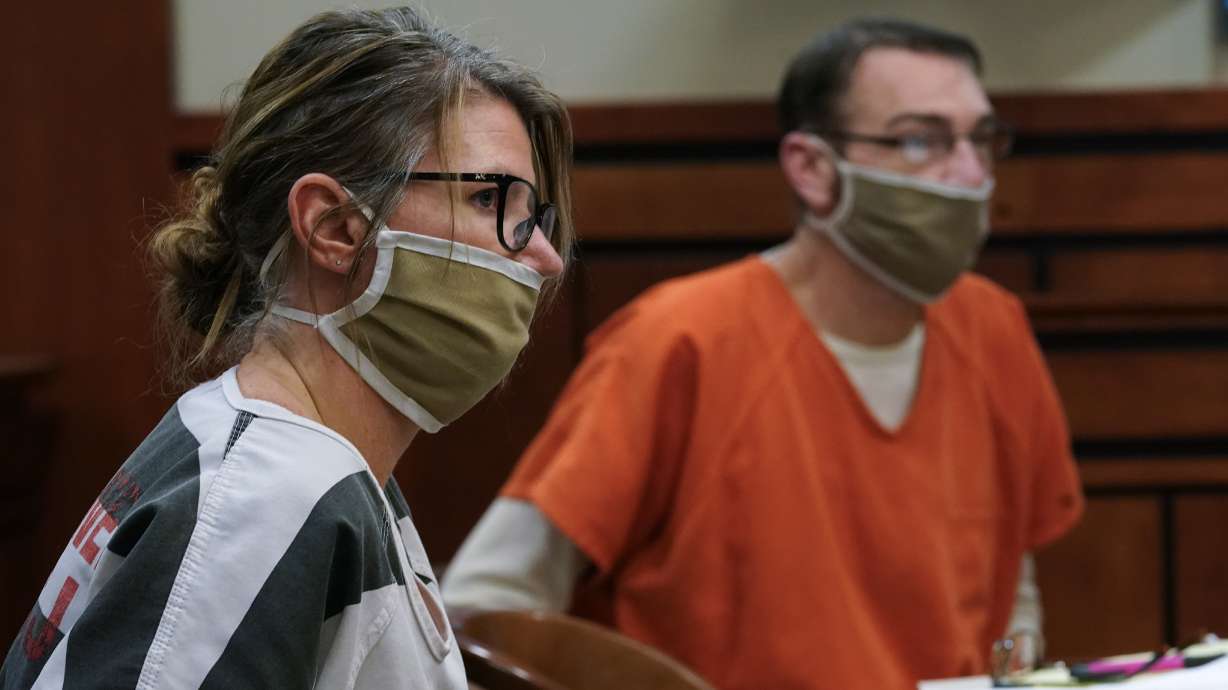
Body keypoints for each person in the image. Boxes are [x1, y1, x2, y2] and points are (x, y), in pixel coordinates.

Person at [442, 17, 1083, 690]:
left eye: (981, 139)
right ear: (811, 167)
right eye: (920, 140)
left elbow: (1016, 580)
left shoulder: (994, 329)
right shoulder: (679, 339)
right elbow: (487, 607)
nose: (969, 173)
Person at [0, 7, 572, 689]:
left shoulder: (307, 464)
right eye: (490, 199)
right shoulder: (268, 498)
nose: (544, 256)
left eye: (534, 216)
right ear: (333, 227)